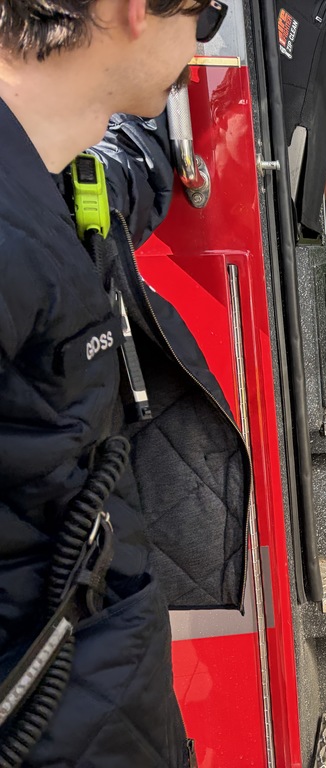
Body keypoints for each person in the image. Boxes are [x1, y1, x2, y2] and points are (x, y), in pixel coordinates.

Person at [0, 2, 246, 766]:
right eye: (207, 17)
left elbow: (121, 180)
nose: (203, 43)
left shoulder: (60, 169)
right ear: (137, 10)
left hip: (97, 684)